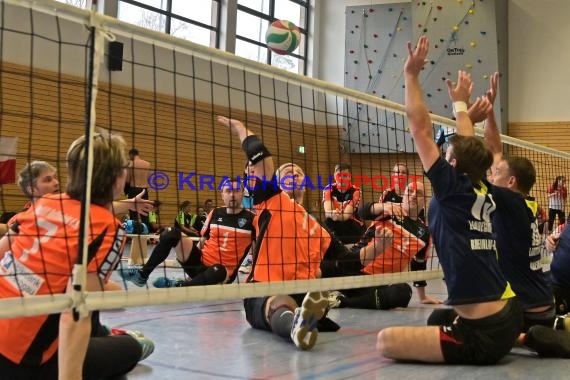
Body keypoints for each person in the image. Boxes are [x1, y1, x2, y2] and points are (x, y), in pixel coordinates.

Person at [376, 37, 521, 364]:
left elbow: (419, 128)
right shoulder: (482, 185)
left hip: (484, 333)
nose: (441, 155)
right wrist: (460, 105)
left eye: (446, 154)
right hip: (508, 314)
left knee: (385, 342)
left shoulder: (451, 188)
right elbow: (469, 144)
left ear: (451, 164)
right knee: (436, 320)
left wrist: (411, 75)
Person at [0, 132, 153, 379]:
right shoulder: (108, 228)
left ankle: (101, 334)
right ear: (115, 178)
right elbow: (75, 312)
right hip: (25, 361)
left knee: (101, 289)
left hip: (7, 323)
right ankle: (115, 337)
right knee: (133, 348)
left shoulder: (45, 203)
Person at [218, 115, 345, 351]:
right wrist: (241, 129)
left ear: (305, 183)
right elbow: (262, 158)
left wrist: (380, 246)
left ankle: (305, 313)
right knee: (278, 302)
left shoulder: (318, 227)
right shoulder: (271, 201)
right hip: (264, 289)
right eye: (287, 172)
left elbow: (348, 260)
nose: (294, 174)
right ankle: (294, 325)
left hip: (302, 292)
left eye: (298, 172)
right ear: (276, 183)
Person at [120, 178, 255, 287]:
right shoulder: (215, 213)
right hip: (199, 263)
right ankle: (142, 275)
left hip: (221, 273)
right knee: (171, 232)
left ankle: (181, 285)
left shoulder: (251, 219)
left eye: (237, 191)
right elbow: (203, 241)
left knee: (218, 269)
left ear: (242, 194)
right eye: (228, 191)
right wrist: (189, 258)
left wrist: (252, 275)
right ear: (222, 194)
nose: (232, 194)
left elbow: (258, 250)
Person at [326, 181, 436, 310]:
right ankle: (341, 295)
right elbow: (363, 212)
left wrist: (422, 297)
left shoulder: (425, 233)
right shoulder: (389, 209)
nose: (413, 195)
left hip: (377, 284)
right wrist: (382, 207)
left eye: (418, 193)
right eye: (409, 191)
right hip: (354, 269)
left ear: (425, 200)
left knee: (403, 292)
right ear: (404, 195)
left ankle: (342, 301)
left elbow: (419, 265)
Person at [322, 163, 366, 244]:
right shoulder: (328, 188)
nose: (341, 178)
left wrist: (334, 215)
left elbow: (346, 216)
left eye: (345, 176)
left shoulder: (356, 191)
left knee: (343, 223)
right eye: (339, 175)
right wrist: (332, 214)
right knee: (326, 223)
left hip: (352, 225)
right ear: (335, 176)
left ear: (349, 177)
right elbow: (327, 212)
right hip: (334, 221)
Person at [126, 148, 151, 226]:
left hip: (133, 189)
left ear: (131, 155)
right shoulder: (148, 164)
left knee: (133, 213)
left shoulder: (130, 164)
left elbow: (127, 180)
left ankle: (135, 230)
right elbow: (148, 178)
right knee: (145, 212)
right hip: (144, 190)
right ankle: (147, 231)